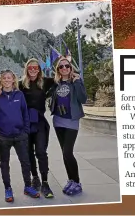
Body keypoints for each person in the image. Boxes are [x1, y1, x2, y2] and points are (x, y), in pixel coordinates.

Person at [0, 70, 40, 202]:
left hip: (20, 135)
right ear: (1, 81)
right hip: (4, 136)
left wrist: (26, 131)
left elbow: (25, 113)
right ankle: (8, 188)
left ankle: (28, 186)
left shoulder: (19, 94)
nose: (7, 80)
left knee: (26, 162)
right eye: (4, 78)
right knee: (4, 163)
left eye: (9, 78)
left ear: (13, 80)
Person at [18, 58, 56, 198]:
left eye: (36, 68)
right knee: (28, 153)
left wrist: (74, 76)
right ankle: (35, 178)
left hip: (39, 122)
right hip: (25, 123)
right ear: (26, 69)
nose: (33, 70)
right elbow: (8, 90)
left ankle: (45, 182)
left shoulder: (45, 81)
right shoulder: (21, 84)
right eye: (30, 68)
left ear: (39, 69)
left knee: (41, 151)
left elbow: (61, 77)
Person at [50, 56, 87, 196]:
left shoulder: (75, 81)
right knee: (64, 154)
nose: (64, 68)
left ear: (71, 68)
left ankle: (77, 182)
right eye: (61, 66)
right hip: (58, 121)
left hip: (71, 121)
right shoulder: (56, 83)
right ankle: (70, 180)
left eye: (67, 66)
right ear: (58, 70)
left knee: (68, 152)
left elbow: (83, 99)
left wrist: (78, 82)